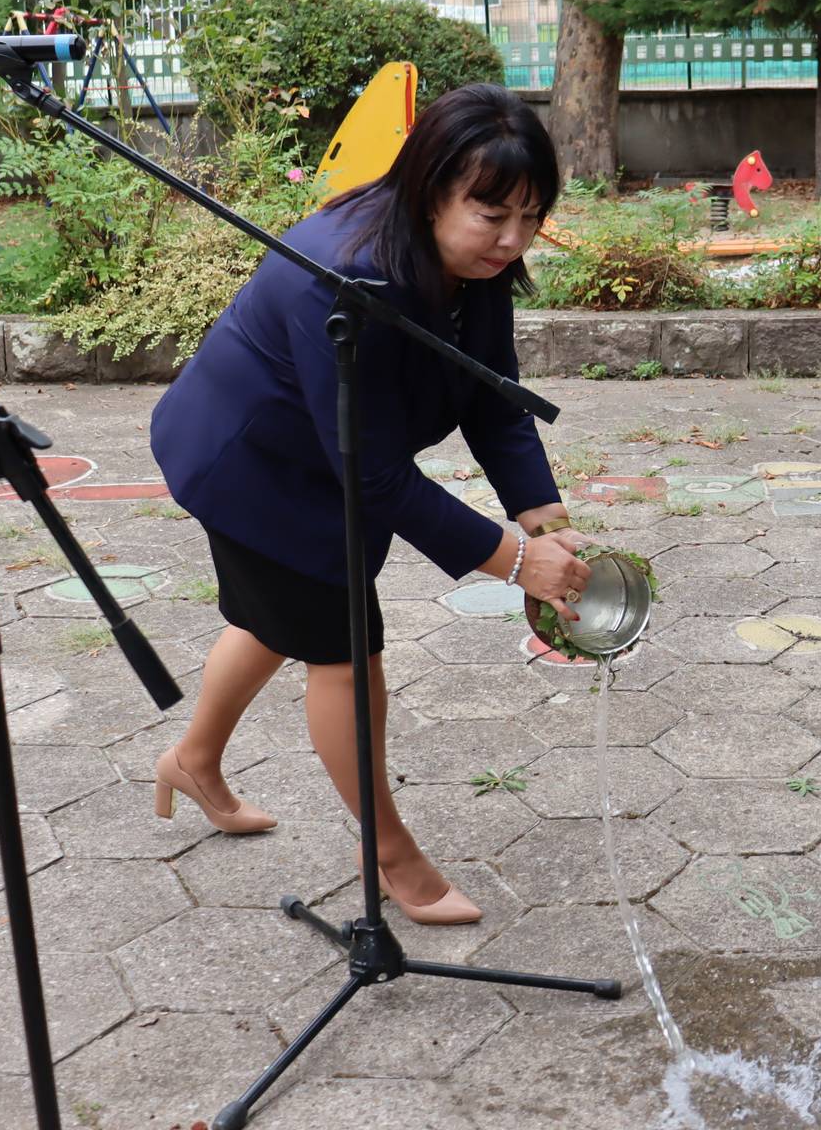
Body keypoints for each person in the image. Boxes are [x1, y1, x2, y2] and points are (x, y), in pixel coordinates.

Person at [145, 84, 596, 924]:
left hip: (328, 461)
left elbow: (492, 396)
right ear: (429, 190)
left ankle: (194, 761)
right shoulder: (342, 278)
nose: (513, 239)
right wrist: (511, 561)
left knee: (278, 615)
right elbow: (379, 478)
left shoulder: (476, 258)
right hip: (251, 465)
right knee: (344, 651)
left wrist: (548, 523)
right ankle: (392, 857)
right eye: (492, 214)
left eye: (531, 217)